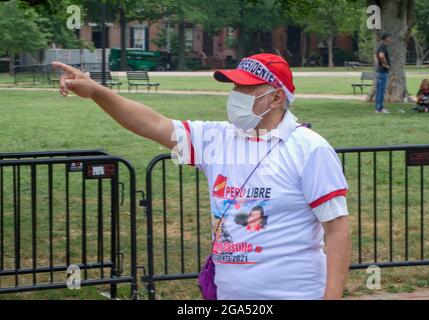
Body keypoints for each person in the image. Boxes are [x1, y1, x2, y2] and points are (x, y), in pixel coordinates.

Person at [52, 53, 351, 300]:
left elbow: (337, 229)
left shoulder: (310, 149)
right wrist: (97, 92)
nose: (237, 95)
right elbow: (153, 124)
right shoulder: (217, 138)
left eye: (247, 89)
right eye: (235, 87)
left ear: (275, 98)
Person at [375, 32, 392, 114]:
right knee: (381, 90)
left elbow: (376, 56)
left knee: (379, 90)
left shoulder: (379, 46)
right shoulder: (382, 46)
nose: (390, 39)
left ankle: (378, 108)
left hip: (379, 71)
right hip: (382, 71)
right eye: (389, 37)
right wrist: (385, 64)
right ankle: (380, 109)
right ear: (386, 38)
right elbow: (381, 56)